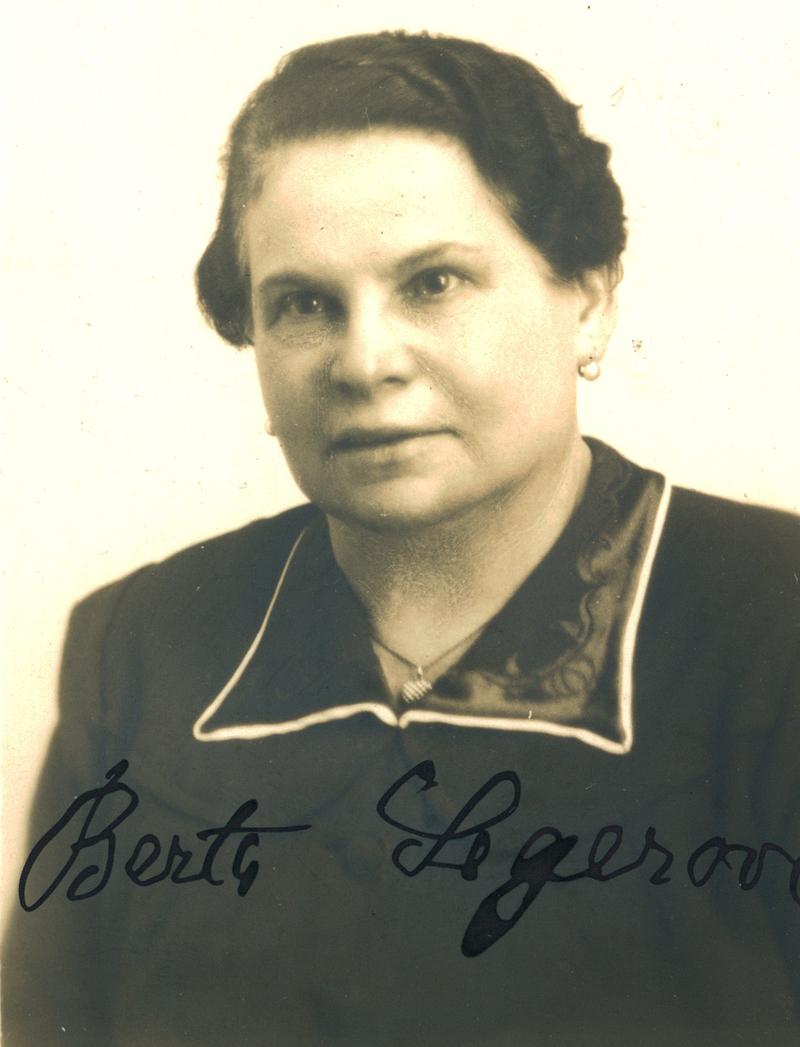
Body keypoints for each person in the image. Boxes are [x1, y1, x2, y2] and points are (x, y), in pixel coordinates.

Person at [4, 30, 798, 1047]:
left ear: (590, 302)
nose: (364, 360)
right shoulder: (142, 646)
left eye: (432, 283)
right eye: (304, 304)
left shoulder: (771, 623)